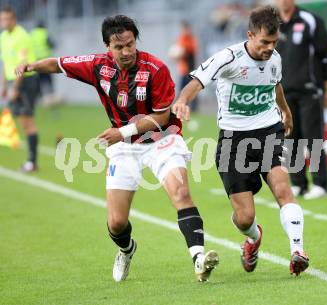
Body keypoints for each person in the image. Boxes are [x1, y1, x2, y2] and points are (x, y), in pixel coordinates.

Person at [16, 15, 219, 283]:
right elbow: (58, 64)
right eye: (118, 47)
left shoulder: (156, 69)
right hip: (124, 148)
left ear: (136, 41)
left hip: (162, 139)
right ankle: (126, 249)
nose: (126, 52)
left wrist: (121, 131)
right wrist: (31, 65)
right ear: (107, 47)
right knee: (116, 223)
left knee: (180, 192)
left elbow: (160, 118)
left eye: (130, 45)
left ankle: (198, 259)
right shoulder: (97, 66)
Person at [173, 6, 309, 276]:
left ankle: (298, 251)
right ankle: (252, 238)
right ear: (250, 35)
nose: (270, 48)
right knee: (245, 217)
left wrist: (286, 111)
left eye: (274, 42)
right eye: (264, 42)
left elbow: (276, 84)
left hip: (268, 131)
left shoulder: (275, 59)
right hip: (233, 142)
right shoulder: (228, 58)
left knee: (283, 189)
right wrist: (182, 101)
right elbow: (197, 81)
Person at [276, 0, 327, 200]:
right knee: (290, 139)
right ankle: (298, 184)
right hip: (283, 92)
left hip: (309, 89)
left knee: (314, 138)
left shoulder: (310, 20)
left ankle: (321, 184)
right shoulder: (273, 24)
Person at [0, 7, 39, 172]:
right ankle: (31, 160)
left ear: (14, 19)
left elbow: (22, 66)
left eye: (8, 19)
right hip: (12, 81)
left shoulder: (21, 35)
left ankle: (32, 162)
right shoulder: (3, 36)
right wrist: (3, 85)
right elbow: (4, 62)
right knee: (23, 121)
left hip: (25, 80)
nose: (5, 22)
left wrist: (15, 88)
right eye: (3, 19)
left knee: (27, 121)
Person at [169, 21, 199, 111]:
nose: (184, 31)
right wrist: (175, 56)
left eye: (185, 29)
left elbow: (190, 51)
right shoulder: (181, 39)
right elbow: (178, 54)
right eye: (183, 29)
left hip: (191, 68)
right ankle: (179, 107)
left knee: (193, 89)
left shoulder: (191, 39)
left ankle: (193, 108)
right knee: (182, 89)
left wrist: (180, 54)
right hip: (183, 69)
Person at [30, 20, 59, 106]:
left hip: (36, 61)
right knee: (48, 80)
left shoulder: (32, 34)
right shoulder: (44, 33)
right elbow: (52, 44)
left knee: (38, 80)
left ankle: (39, 97)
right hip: (46, 61)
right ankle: (51, 97)